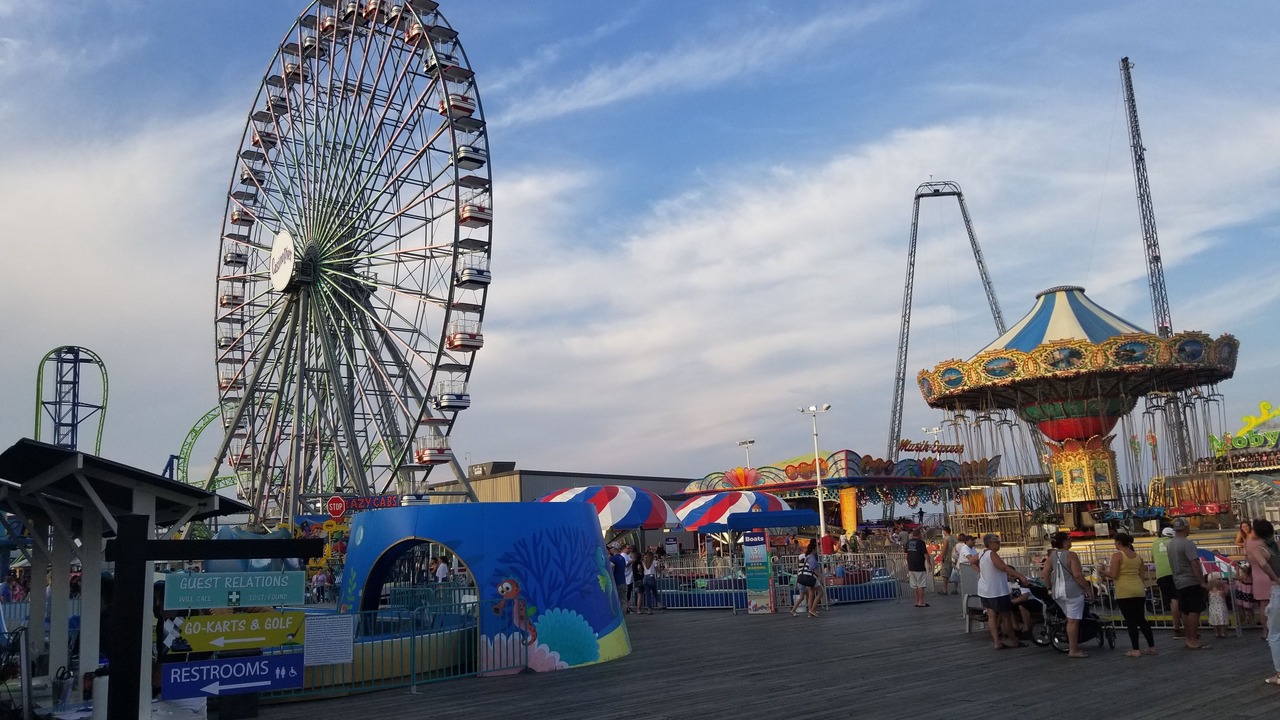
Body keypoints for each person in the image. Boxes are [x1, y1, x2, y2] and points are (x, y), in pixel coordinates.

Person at [1102, 531, 1155, 657]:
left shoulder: (1117, 556)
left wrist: (1102, 571)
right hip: (1138, 589)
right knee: (1141, 619)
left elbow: (1114, 575)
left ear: (1119, 542)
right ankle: (1152, 647)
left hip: (1124, 591)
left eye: (1115, 542)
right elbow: (1142, 576)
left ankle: (1135, 649)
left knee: (1131, 621)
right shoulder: (1138, 556)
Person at [1043, 531, 1093, 658]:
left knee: (1069, 619)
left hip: (1057, 592)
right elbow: (1078, 575)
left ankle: (1072, 644)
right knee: (1073, 621)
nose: (1071, 541)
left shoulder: (1052, 556)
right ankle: (1073, 649)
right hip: (1072, 591)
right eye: (1069, 539)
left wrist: (1049, 587)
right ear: (1065, 541)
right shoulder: (1071, 555)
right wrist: (1087, 589)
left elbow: (1045, 573)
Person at [1243, 519, 1280, 685]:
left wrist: (1275, 578)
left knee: (1275, 635)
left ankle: (1279, 674)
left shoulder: (1258, 548)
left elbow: (1264, 564)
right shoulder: (1276, 545)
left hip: (1276, 589)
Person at [976, 533, 1028, 650]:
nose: (999, 544)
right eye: (997, 542)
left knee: (991, 615)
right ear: (990, 543)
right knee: (1006, 616)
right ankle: (1013, 640)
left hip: (985, 590)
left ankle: (997, 642)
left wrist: (980, 571)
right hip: (997, 590)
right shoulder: (991, 553)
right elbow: (1003, 567)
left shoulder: (982, 553)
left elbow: (971, 560)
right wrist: (1020, 575)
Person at [1167, 517, 1210, 650]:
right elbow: (1194, 563)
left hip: (1178, 581)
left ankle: (1188, 638)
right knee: (1194, 611)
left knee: (1185, 611)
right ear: (1186, 528)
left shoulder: (1170, 544)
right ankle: (1193, 639)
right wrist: (1202, 581)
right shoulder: (1187, 544)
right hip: (1191, 580)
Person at [1244, 519, 1274, 638]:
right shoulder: (1267, 544)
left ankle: (1265, 631)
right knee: (1274, 603)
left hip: (1257, 576)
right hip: (1270, 576)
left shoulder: (1249, 543)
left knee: (1263, 605)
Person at [1152, 526, 1182, 638]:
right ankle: (1178, 629)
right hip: (1174, 573)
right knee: (1177, 600)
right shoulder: (1174, 542)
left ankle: (1178, 628)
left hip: (1161, 575)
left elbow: (1153, 558)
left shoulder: (1155, 543)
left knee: (1172, 600)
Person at [792, 540, 821, 618]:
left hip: (804, 578)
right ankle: (812, 610)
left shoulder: (806, 558)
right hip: (811, 577)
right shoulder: (812, 557)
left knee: (810, 594)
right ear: (813, 549)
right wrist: (820, 577)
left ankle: (810, 611)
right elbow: (813, 568)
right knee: (820, 592)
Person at [904, 528, 932, 607]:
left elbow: (906, 555)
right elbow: (925, 554)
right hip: (919, 566)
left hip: (911, 566)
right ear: (919, 534)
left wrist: (908, 564)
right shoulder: (921, 542)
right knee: (921, 584)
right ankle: (921, 602)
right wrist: (929, 563)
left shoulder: (908, 542)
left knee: (914, 585)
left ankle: (916, 601)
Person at [938, 526, 958, 595]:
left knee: (945, 574)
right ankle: (955, 589)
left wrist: (942, 556)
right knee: (955, 573)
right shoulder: (954, 538)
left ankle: (944, 589)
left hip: (947, 558)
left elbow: (944, 548)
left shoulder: (946, 538)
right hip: (954, 557)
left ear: (944, 531)